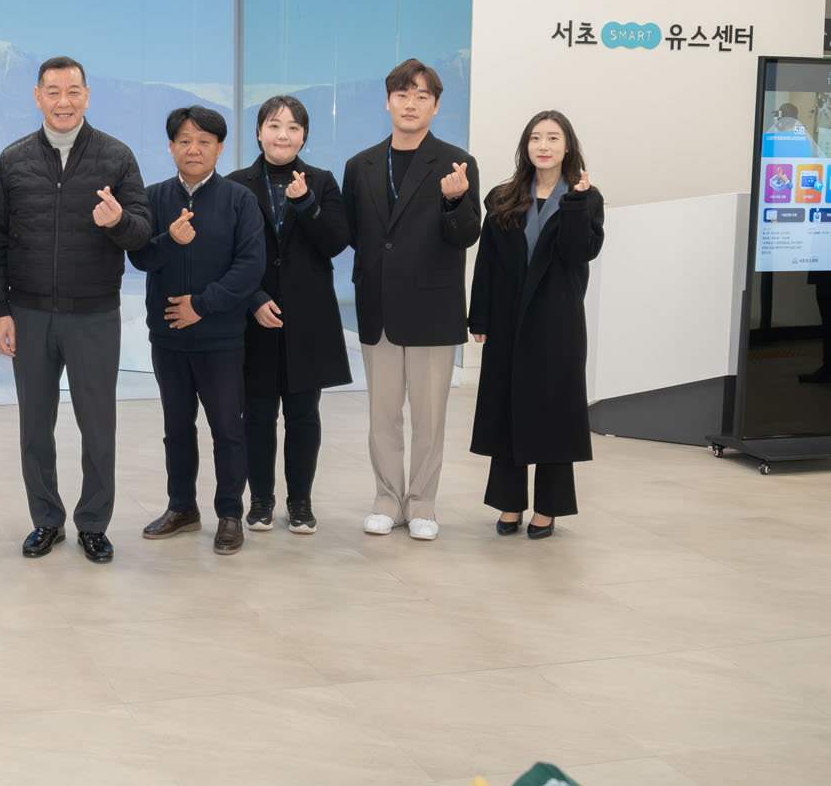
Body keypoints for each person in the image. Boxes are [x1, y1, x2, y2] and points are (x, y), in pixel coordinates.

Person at [0, 56, 151, 564]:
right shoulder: (13, 160)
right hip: (29, 314)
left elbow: (141, 233)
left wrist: (118, 222)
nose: (63, 101)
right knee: (35, 426)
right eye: (53, 91)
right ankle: (46, 520)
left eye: (73, 91)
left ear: (87, 95)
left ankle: (94, 523)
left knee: (98, 426)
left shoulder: (116, 157)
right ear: (37, 97)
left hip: (93, 315)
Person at [342, 59, 480, 542]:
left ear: (435, 106)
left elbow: (466, 236)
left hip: (432, 310)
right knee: (382, 415)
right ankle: (387, 499)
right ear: (388, 102)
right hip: (378, 307)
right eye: (402, 94)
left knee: (428, 418)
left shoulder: (457, 163)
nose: (411, 104)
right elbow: (355, 234)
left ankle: (422, 503)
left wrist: (454, 202)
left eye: (422, 96)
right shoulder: (360, 165)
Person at [130, 106, 265, 555]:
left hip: (220, 338)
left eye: (204, 141)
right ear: (171, 147)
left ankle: (230, 514)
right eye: (184, 140)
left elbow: (250, 267)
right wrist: (171, 240)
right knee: (176, 428)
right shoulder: (153, 198)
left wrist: (201, 306)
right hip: (168, 337)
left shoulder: (239, 200)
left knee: (227, 429)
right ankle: (182, 508)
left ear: (219, 148)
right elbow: (140, 256)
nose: (194, 149)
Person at [468, 111, 604, 538]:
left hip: (557, 321)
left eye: (553, 137)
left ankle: (549, 506)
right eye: (535, 138)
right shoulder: (502, 196)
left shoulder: (586, 198)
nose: (543, 146)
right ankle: (509, 502)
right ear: (525, 146)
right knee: (507, 407)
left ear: (568, 146)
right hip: (507, 320)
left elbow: (579, 252)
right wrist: (479, 315)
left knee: (554, 411)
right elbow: (487, 262)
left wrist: (576, 203)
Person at [226, 95, 350, 535]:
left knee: (303, 414)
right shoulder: (236, 184)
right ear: (259, 132)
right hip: (253, 316)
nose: (283, 134)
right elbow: (227, 253)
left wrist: (307, 204)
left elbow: (335, 242)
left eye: (293, 127)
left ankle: (300, 502)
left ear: (304, 136)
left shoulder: (323, 182)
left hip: (308, 317)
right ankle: (260, 500)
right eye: (275, 126)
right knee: (257, 414)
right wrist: (254, 298)